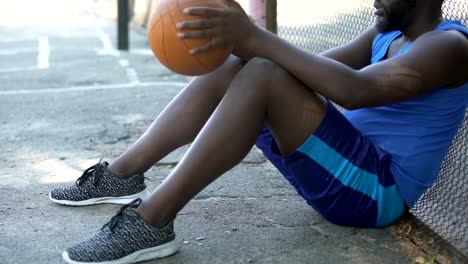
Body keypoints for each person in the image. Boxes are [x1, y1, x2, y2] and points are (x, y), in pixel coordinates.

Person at [49, 0, 468, 263]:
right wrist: (238, 42)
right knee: (245, 67)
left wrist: (255, 37)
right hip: (346, 170)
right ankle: (122, 174)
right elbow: (305, 69)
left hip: (375, 192)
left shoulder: (448, 46)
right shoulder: (387, 33)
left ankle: (152, 220)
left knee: (263, 69)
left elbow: (356, 91)